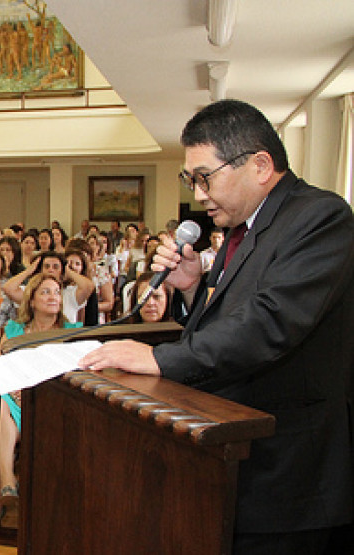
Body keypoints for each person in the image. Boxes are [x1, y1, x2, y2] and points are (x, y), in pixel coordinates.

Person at [79, 99, 354, 554]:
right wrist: (191, 289)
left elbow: (270, 323)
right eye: (191, 180)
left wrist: (158, 358)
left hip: (289, 472)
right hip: (241, 456)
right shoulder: (245, 228)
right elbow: (229, 318)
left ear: (261, 165)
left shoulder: (320, 218)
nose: (199, 193)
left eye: (204, 177)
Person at [0, 274, 69, 538]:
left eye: (57, 292)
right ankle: (7, 480)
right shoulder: (14, 330)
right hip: (11, 397)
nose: (53, 297)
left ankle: (0, 495)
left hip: (49, 402)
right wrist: (14, 389)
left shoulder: (72, 329)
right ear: (32, 300)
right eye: (46, 293)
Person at [2, 251, 93, 325]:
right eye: (47, 266)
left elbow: (89, 286)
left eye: (56, 267)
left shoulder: (70, 294)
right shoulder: (32, 292)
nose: (51, 270)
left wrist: (68, 271)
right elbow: (8, 288)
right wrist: (29, 271)